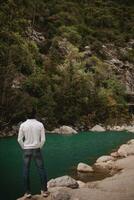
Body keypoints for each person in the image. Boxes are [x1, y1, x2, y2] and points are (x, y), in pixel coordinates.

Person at [17, 108, 49, 198]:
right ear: (35, 114)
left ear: (26, 115)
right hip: (37, 149)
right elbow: (43, 139)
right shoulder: (40, 124)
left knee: (25, 170)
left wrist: (24, 147)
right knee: (41, 169)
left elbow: (19, 139)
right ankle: (44, 191)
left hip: (26, 150)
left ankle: (27, 192)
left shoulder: (23, 125)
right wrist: (39, 147)